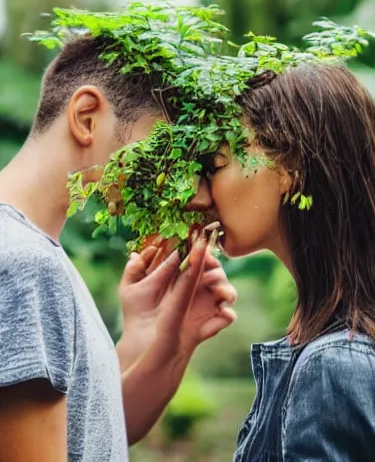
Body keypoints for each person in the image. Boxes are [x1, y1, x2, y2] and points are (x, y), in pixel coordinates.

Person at [201, 66, 375, 461]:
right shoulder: (328, 346)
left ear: (287, 166)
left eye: (216, 164)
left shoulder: (337, 364)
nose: (201, 193)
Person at [0, 36, 237, 461]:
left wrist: (164, 338)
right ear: (87, 117)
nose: (189, 190)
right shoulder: (26, 263)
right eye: (161, 148)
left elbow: (94, 431)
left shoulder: (37, 252)